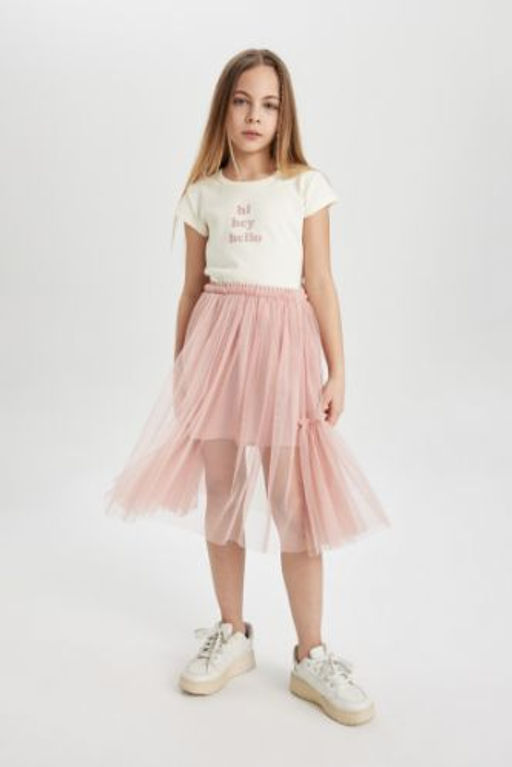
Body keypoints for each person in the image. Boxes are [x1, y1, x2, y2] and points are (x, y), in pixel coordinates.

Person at [104, 48, 391, 726]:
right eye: (242, 101)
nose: (254, 116)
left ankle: (311, 653)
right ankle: (231, 632)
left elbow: (320, 282)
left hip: (284, 354)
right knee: (224, 490)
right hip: (217, 351)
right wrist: (184, 370)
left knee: (296, 503)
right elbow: (191, 290)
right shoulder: (203, 193)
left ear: (284, 116)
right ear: (224, 109)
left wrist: (337, 369)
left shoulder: (304, 187)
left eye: (268, 104)